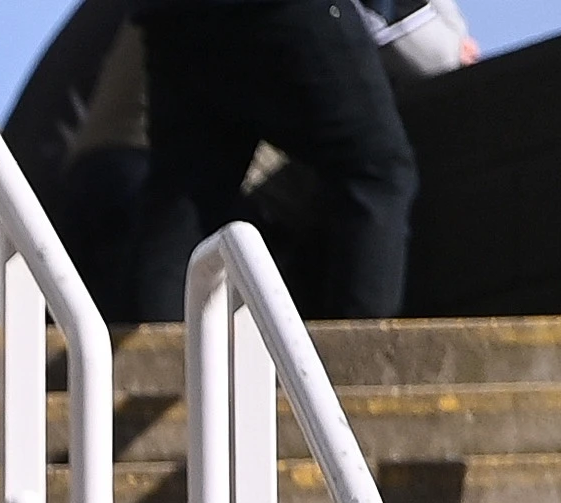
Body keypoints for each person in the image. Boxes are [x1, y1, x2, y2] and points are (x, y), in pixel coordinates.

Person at [132, 0, 422, 321]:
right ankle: (354, 360)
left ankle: (165, 356)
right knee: (378, 171)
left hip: (172, 17)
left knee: (185, 201)